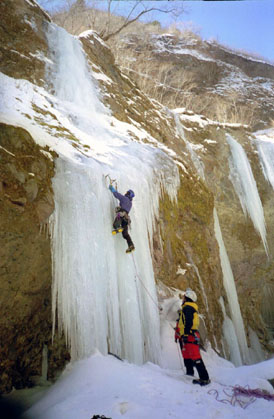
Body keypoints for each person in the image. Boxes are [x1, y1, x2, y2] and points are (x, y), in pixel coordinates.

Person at [174, 288, 210, 386]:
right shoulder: (187, 308)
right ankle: (189, 373)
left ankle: (204, 378)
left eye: (184, 297)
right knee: (187, 355)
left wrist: (185, 334)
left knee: (195, 356)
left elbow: (188, 322)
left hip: (190, 335)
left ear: (188, 298)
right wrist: (179, 334)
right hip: (187, 335)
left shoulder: (188, 308)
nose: (183, 298)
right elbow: (182, 323)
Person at [109, 184, 135, 253]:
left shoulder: (124, 198)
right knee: (125, 234)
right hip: (126, 219)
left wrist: (112, 189)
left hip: (121, 215)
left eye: (127, 193)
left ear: (129, 194)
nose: (126, 193)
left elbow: (117, 195)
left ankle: (119, 228)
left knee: (115, 225)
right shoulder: (130, 203)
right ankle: (131, 245)